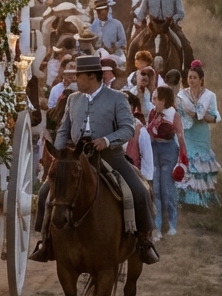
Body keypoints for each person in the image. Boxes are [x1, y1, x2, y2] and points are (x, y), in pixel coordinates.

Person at [31, 56, 159, 265]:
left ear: (91, 77)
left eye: (78, 76)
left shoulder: (117, 98)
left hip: (110, 155)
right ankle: (46, 241)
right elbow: (64, 130)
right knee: (46, 191)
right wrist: (62, 152)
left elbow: (128, 128)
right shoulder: (73, 99)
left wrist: (107, 141)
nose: (75, 80)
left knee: (139, 190)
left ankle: (144, 243)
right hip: (75, 157)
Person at [176, 61, 221, 206]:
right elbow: (179, 113)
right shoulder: (182, 94)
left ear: (201, 79)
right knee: (187, 163)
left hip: (201, 134)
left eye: (194, 77)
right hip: (187, 133)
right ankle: (185, 199)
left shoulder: (209, 96)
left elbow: (214, 117)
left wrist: (199, 115)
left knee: (200, 164)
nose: (191, 80)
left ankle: (201, 200)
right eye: (189, 77)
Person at [147, 85, 185, 237]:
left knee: (167, 189)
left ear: (164, 100)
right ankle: (156, 226)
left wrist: (182, 159)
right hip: (155, 148)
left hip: (169, 150)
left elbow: (180, 136)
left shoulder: (173, 114)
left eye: (156, 98)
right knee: (155, 189)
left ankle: (171, 224)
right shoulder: (152, 113)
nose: (154, 101)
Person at [123, 92, 154, 183]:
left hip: (134, 178)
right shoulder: (110, 127)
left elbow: (147, 160)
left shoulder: (140, 131)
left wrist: (145, 181)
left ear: (132, 108)